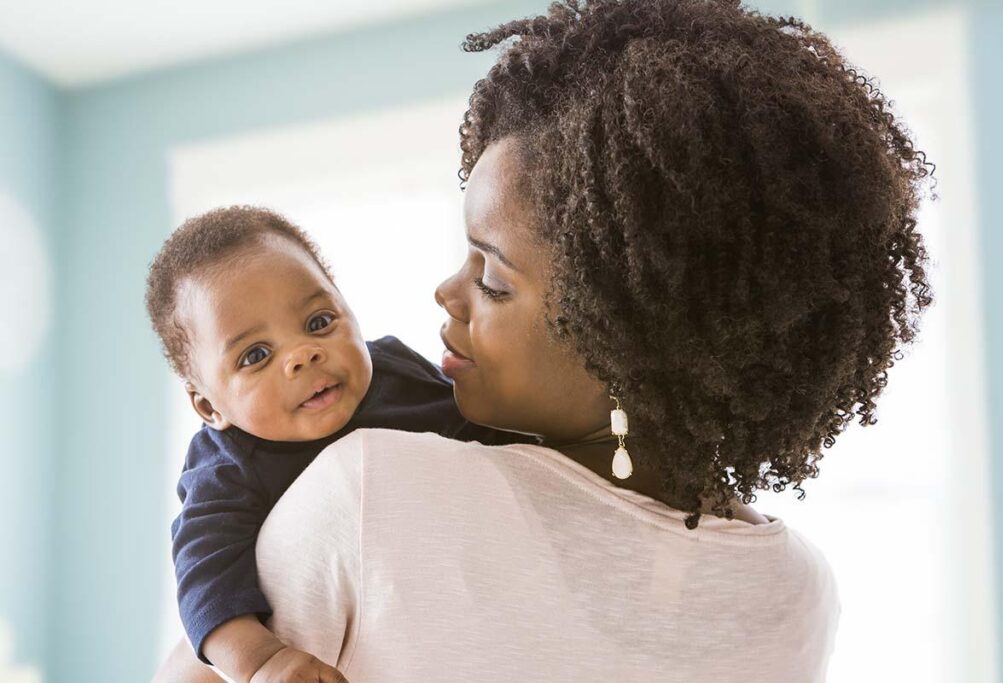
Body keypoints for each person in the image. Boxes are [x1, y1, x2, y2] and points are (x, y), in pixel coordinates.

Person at [158, 0, 933, 679]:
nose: (445, 293)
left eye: (493, 280)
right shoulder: (800, 591)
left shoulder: (372, 491)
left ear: (631, 333)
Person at [145, 206, 523, 682]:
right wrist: (263, 660)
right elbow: (206, 581)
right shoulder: (227, 463)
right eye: (256, 355)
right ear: (209, 408)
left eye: (319, 321)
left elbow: (493, 441)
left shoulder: (397, 371)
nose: (303, 355)